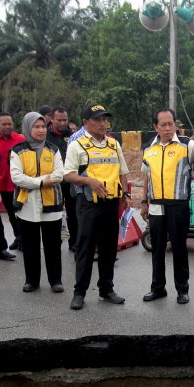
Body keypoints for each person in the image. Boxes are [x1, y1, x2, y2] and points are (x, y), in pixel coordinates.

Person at [139, 108, 194, 305]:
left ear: (175, 125)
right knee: (158, 249)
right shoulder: (148, 149)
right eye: (163, 124)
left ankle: (182, 289)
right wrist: (144, 202)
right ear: (155, 127)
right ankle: (158, 288)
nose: (168, 128)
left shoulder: (186, 145)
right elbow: (147, 177)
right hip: (155, 206)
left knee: (179, 248)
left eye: (171, 123)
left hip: (178, 205)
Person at [62, 102, 130, 311]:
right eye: (98, 119)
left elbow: (122, 170)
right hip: (89, 204)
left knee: (109, 248)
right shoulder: (77, 145)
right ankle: (79, 292)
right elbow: (68, 175)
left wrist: (126, 194)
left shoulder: (113, 144)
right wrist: (89, 181)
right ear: (86, 123)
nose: (103, 123)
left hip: (111, 203)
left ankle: (106, 289)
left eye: (104, 119)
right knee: (86, 248)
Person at [10, 112, 64, 293]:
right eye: (36, 127)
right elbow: (17, 177)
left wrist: (31, 180)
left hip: (52, 204)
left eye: (43, 127)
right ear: (27, 128)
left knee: (53, 245)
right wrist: (40, 182)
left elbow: (58, 175)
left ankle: (55, 280)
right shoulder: (18, 150)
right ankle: (31, 281)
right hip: (27, 205)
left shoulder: (53, 149)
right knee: (31, 245)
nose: (41, 130)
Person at [0, 111, 25, 253]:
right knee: (11, 215)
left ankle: (24, 239)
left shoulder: (21, 139)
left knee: (22, 214)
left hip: (20, 184)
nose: (7, 126)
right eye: (4, 124)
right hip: (3, 184)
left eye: (9, 124)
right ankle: (18, 237)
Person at [47, 106, 78, 251]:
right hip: (53, 181)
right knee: (55, 212)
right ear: (52, 119)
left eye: (65, 120)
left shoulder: (73, 136)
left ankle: (74, 242)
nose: (62, 123)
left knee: (73, 213)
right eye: (59, 120)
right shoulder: (45, 136)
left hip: (70, 181)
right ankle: (54, 241)